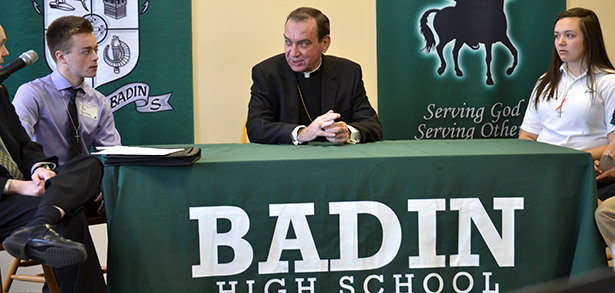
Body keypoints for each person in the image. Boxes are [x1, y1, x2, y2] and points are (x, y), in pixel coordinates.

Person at [0, 24, 107, 293]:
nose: (6, 53)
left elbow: (24, 146)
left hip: (32, 191)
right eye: (0, 45)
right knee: (68, 214)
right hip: (6, 196)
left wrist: (39, 168)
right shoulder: (32, 92)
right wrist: (18, 186)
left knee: (91, 164)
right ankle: (41, 225)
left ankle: (38, 227)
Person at [246, 7, 383, 145]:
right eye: (288, 42)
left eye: (303, 44)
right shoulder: (267, 74)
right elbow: (256, 128)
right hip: (286, 162)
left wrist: (347, 132)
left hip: (335, 161)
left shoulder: (348, 73)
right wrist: (301, 134)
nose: (293, 53)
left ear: (325, 43)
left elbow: (373, 126)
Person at [12, 16, 120, 166]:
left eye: (96, 49)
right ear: (61, 57)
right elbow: (17, 147)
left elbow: (112, 156)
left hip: (85, 184)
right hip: (44, 182)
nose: (96, 57)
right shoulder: (32, 94)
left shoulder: (99, 102)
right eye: (86, 51)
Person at [519, 8, 615, 162]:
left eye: (569, 35)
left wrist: (574, 161)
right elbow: (528, 135)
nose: (560, 42)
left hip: (586, 170)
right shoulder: (545, 81)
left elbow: (614, 144)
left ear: (589, 39)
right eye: (557, 36)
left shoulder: (609, 82)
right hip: (544, 170)